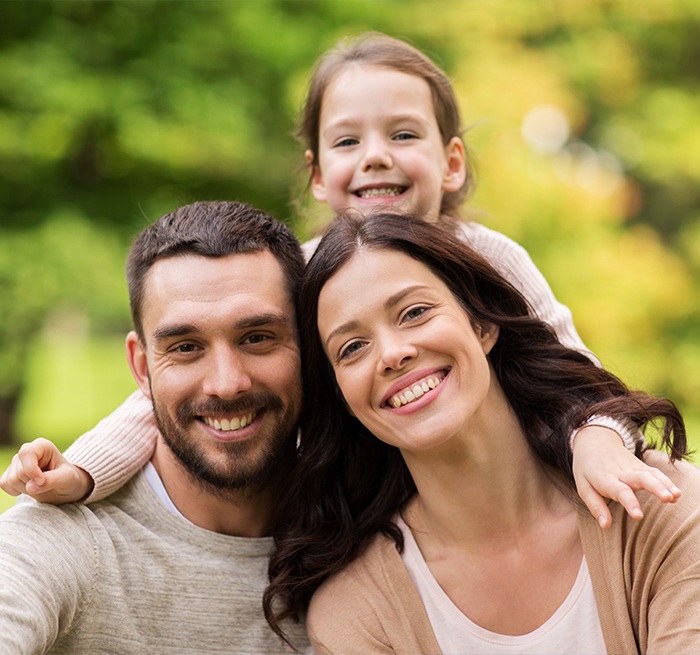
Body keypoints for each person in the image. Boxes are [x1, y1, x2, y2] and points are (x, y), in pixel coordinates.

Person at [0, 34, 680, 527]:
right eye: (349, 141)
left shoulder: (488, 257)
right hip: (375, 512)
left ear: (450, 161)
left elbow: (578, 376)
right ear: (319, 173)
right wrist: (85, 470)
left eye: (403, 134)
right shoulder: (304, 274)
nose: (376, 156)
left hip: (514, 503)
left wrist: (598, 437)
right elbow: (171, 387)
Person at [265, 211, 700, 654]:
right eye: (352, 348)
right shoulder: (358, 613)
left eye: (414, 312)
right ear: (342, 397)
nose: (393, 354)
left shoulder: (659, 508)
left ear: (482, 324)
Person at [0, 201, 310, 654]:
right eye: (186, 347)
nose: (226, 384)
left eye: (257, 337)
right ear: (141, 367)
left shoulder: (368, 528)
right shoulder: (65, 542)